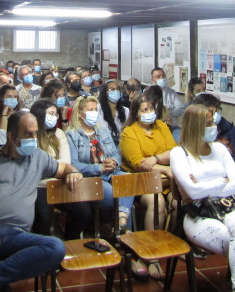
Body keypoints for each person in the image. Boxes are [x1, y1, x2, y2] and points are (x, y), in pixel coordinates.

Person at [0, 111, 84, 292]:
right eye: (28, 134)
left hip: (16, 234)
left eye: (35, 133)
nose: (33, 139)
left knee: (55, 247)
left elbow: (64, 167)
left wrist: (74, 172)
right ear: (11, 136)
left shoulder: (37, 157)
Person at [170, 104, 235, 292]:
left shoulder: (219, 149)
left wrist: (204, 186)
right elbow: (193, 194)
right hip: (198, 215)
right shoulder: (179, 154)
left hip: (226, 207)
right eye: (208, 124)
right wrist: (221, 181)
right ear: (196, 127)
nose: (214, 127)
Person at [119, 93, 176, 280]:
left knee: (178, 204)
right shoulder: (129, 133)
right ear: (136, 114)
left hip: (167, 181)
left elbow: (174, 151)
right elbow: (139, 164)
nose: (149, 113)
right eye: (144, 110)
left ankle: (166, 243)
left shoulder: (161, 126)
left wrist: (155, 159)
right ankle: (152, 256)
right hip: (141, 182)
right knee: (157, 202)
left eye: (151, 109)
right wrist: (165, 169)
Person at [66, 96, 134, 233]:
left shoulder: (103, 131)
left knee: (128, 181)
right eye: (90, 110)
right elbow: (73, 164)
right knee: (115, 195)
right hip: (91, 177)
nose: (94, 113)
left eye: (96, 110)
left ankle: (121, 222)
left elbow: (116, 153)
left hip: (111, 172)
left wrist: (114, 161)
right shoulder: (71, 135)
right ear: (80, 113)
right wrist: (99, 168)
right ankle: (122, 229)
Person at [29, 99, 90, 239]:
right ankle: (43, 249)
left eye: (55, 114)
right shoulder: (31, 135)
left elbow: (65, 162)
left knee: (83, 212)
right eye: (50, 113)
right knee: (43, 216)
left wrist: (53, 169)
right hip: (38, 187)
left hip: (60, 184)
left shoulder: (59, 134)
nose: (54, 117)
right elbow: (32, 166)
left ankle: (70, 242)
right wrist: (55, 168)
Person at [193, 93, 235, 159]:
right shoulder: (192, 135)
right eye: (211, 112)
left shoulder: (229, 130)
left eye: (216, 111)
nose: (214, 115)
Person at [97, 79, 129, 147]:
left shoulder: (126, 111)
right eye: (112, 89)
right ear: (105, 92)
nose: (115, 91)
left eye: (117, 89)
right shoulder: (98, 110)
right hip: (105, 147)